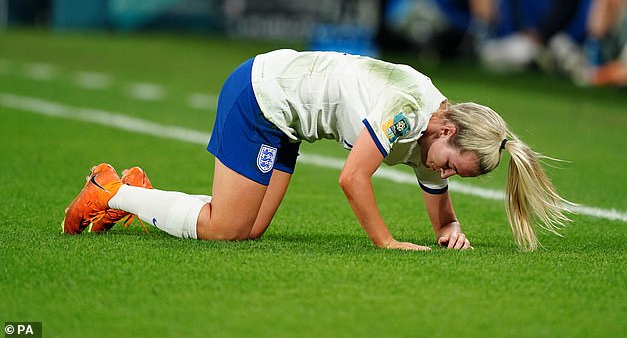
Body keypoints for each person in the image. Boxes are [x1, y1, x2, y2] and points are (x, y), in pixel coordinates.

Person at [62, 49, 572, 251]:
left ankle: (135, 191)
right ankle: (112, 191)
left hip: (289, 122)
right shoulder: (406, 112)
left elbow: (434, 183)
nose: (447, 174)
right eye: (454, 165)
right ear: (447, 131)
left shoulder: (437, 132)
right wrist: (387, 242)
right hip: (261, 97)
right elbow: (351, 179)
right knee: (225, 230)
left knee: (249, 231)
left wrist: (449, 227)